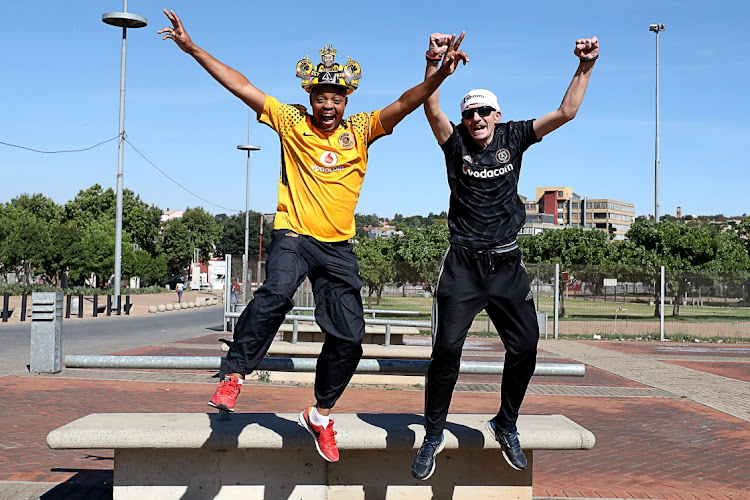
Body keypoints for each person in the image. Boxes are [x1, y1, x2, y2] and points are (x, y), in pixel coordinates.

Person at [160, 9, 468, 463]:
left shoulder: (361, 130)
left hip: (339, 247)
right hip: (294, 234)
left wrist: (439, 74)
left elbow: (405, 102)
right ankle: (235, 374)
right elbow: (240, 85)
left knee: (350, 337)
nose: (329, 106)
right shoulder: (290, 121)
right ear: (310, 96)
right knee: (277, 292)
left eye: (337, 99)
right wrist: (193, 49)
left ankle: (321, 414)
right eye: (322, 97)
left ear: (346, 101)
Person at [411, 33, 599, 480]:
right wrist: (435, 61)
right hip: (462, 266)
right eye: (468, 113)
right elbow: (430, 107)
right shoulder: (453, 142)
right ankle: (432, 434)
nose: (475, 118)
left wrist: (585, 66)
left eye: (482, 112)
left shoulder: (515, 136)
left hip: (507, 265)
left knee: (526, 346)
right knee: (446, 351)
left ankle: (505, 422)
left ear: (497, 115)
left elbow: (567, 112)